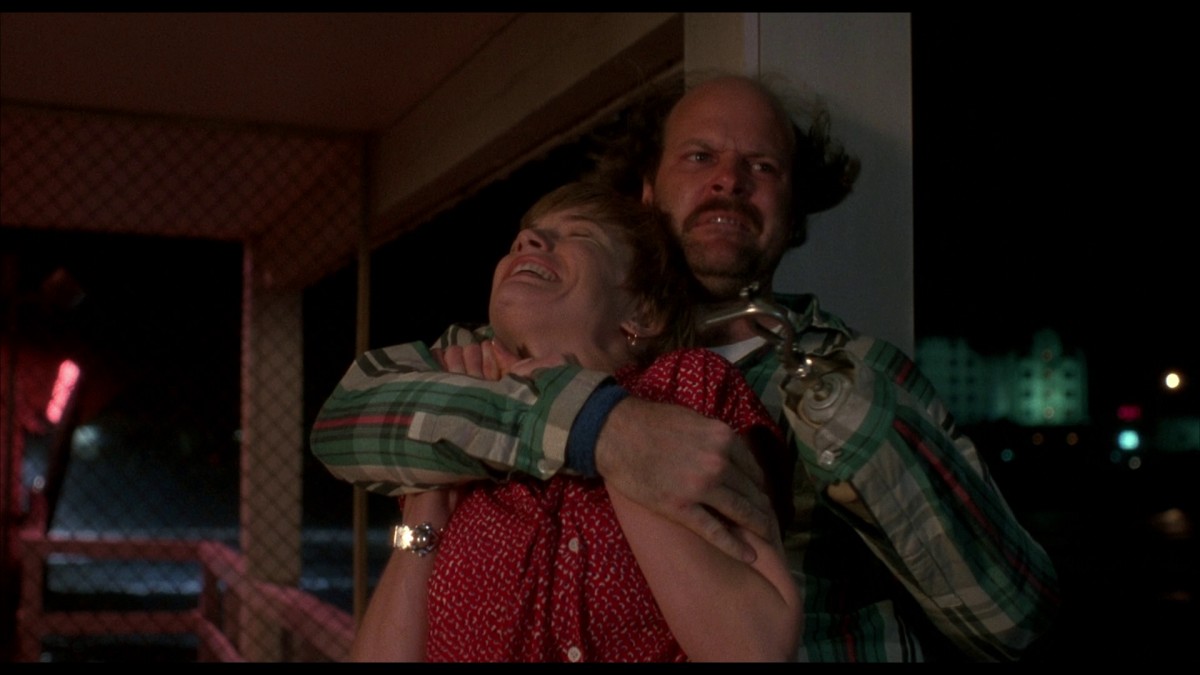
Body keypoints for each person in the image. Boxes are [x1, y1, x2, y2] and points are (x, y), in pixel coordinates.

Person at [310, 72, 1061, 662]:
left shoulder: (856, 374)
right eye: (700, 157)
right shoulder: (505, 348)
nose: (729, 179)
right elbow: (346, 421)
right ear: (647, 190)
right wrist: (603, 426)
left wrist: (838, 413)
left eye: (761, 165)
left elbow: (1010, 621)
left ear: (793, 212)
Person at [315, 181, 800, 662]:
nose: (528, 241)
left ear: (643, 311)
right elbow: (338, 424)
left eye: (580, 234)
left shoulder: (686, 386)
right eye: (521, 239)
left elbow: (753, 647)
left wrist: (619, 429)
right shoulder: (464, 411)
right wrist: (427, 502)